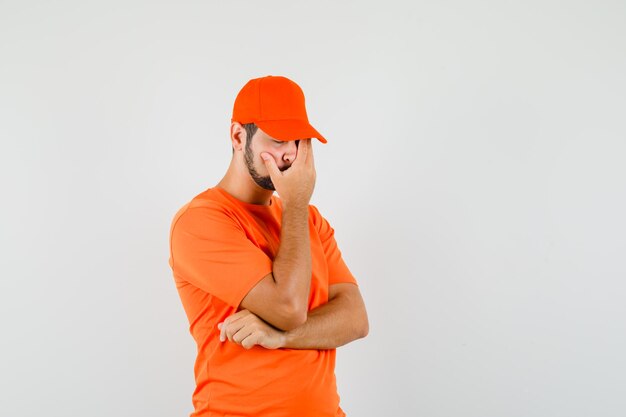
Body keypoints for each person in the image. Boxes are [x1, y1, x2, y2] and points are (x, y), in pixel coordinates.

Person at [168, 75, 369, 417]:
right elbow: (287, 308)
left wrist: (281, 337)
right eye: (277, 140)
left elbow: (355, 318)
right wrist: (295, 203)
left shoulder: (308, 219)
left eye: (298, 140)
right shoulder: (200, 222)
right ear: (237, 136)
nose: (290, 154)